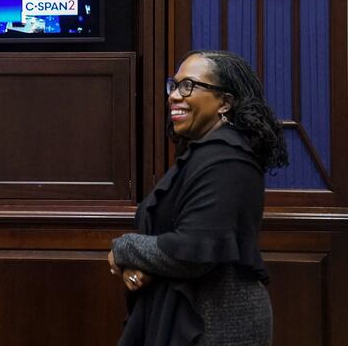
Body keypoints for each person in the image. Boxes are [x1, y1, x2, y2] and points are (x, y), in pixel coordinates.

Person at [109, 50, 288, 345]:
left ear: (225, 103)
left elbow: (193, 251)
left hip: (219, 325)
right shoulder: (202, 153)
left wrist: (123, 249)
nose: (174, 96)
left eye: (188, 86)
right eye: (174, 85)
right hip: (183, 314)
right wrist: (142, 268)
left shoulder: (229, 160)